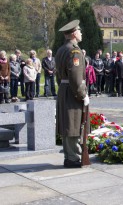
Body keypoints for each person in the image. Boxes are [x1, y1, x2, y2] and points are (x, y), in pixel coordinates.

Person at [55, 19, 89, 168]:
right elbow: (76, 79)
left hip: (64, 89)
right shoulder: (74, 51)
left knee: (68, 124)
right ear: (74, 33)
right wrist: (83, 94)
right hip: (72, 91)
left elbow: (58, 76)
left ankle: (70, 156)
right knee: (73, 124)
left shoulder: (61, 49)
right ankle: (73, 158)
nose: (81, 33)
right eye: (79, 31)